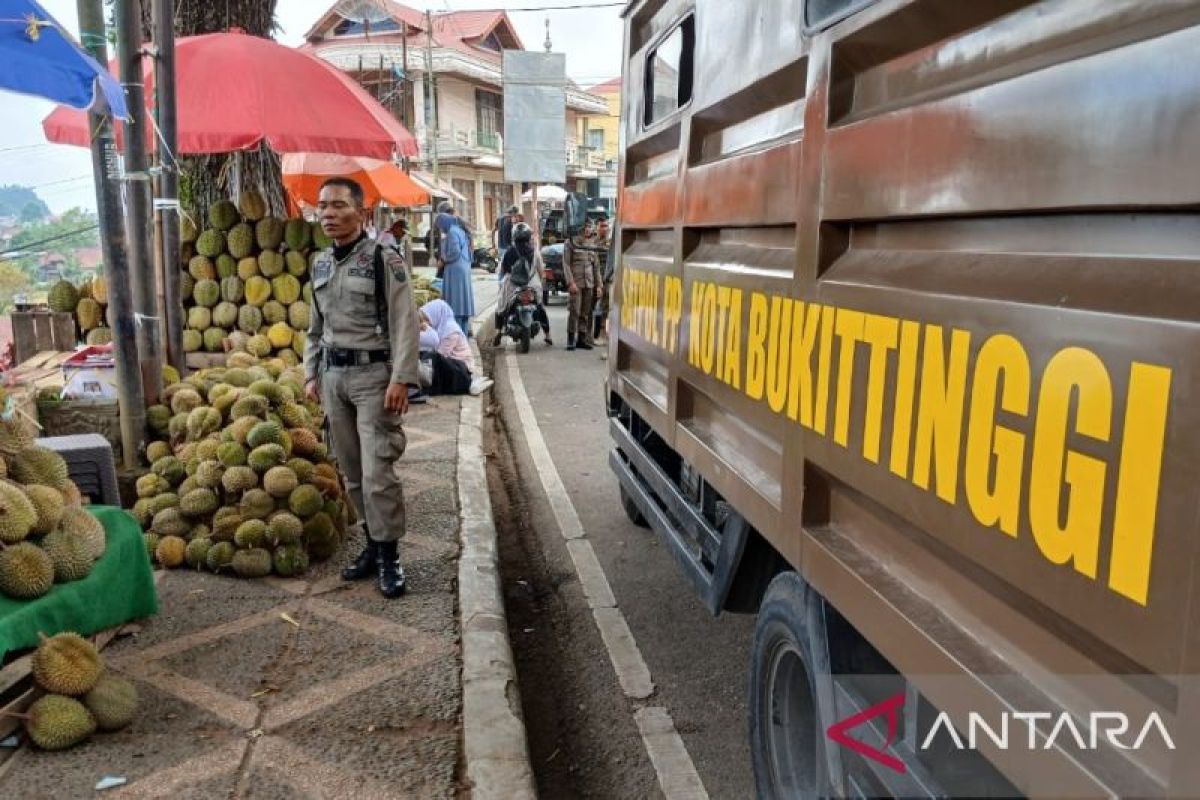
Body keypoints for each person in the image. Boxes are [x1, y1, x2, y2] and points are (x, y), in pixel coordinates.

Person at [304, 177, 421, 599]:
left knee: (377, 473)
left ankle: (390, 556)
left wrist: (402, 378)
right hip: (334, 378)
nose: (329, 214)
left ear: (361, 211)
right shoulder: (319, 264)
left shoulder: (382, 259)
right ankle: (372, 547)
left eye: (338, 206)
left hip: (375, 379)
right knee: (352, 473)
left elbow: (405, 320)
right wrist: (310, 374)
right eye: (322, 207)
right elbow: (314, 329)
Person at [418, 299, 494, 395]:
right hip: (454, 366)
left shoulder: (450, 331)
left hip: (462, 370)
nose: (427, 324)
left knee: (433, 359)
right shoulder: (441, 329)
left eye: (428, 319)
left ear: (437, 316)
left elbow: (441, 355)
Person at [495, 222, 552, 346]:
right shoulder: (535, 252)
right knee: (540, 307)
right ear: (528, 236)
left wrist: (501, 284)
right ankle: (548, 335)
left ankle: (498, 332)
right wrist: (542, 284)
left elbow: (502, 271)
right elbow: (541, 271)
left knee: (500, 307)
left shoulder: (508, 253)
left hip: (512, 286)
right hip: (532, 285)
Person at [436, 209, 475, 334]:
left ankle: (457, 336)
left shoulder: (452, 232)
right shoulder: (460, 230)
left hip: (455, 271)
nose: (441, 229)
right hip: (463, 269)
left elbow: (455, 252)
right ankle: (462, 335)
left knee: (456, 304)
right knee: (463, 304)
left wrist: (443, 260)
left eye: (440, 226)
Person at [564, 224, 602, 351]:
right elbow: (566, 264)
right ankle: (570, 339)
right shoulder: (571, 242)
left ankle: (581, 339)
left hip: (589, 283)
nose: (587, 229)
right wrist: (571, 282)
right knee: (574, 311)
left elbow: (596, 267)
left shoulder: (592, 244)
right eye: (585, 226)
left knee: (585, 313)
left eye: (590, 227)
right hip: (576, 283)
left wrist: (599, 286)